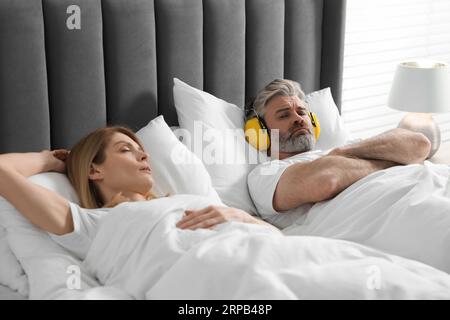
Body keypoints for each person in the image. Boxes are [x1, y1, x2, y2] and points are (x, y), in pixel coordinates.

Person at [0, 126, 276, 259]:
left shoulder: (192, 201)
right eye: (125, 149)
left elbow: (278, 239)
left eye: (141, 149)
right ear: (94, 171)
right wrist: (47, 161)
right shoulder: (92, 225)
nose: (144, 155)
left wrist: (244, 217)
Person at [247, 79, 432, 229]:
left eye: (302, 112)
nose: (297, 119)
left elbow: (420, 145)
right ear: (261, 132)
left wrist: (342, 153)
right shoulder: (266, 174)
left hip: (428, 189)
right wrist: (396, 160)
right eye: (284, 115)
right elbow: (326, 180)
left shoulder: (347, 149)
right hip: (404, 216)